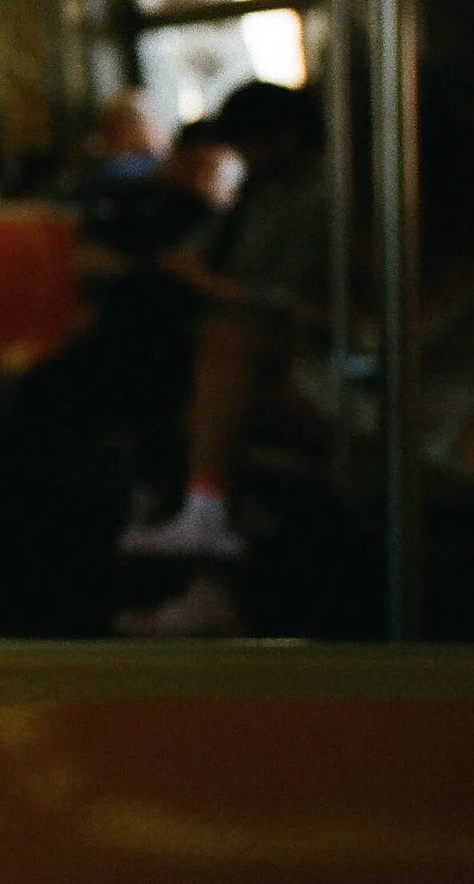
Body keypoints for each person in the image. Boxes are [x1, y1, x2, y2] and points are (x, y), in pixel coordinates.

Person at [116, 81, 329, 636]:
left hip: (283, 342)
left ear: (285, 138)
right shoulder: (259, 193)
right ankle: (191, 554)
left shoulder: (321, 198)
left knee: (194, 356)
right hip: (226, 329)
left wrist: (212, 285)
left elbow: (293, 297)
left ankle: (190, 519)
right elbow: (196, 249)